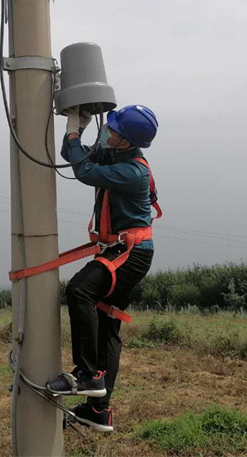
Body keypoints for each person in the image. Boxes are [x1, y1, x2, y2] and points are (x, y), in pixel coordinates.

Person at [45, 104, 159, 433]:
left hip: (131, 251)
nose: (106, 133)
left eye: (114, 131)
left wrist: (72, 130)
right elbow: (85, 155)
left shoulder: (132, 171)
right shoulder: (116, 153)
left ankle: (88, 375)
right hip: (127, 249)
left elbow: (82, 169)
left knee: (80, 290)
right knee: (107, 321)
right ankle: (99, 410)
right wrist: (78, 129)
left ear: (125, 142)